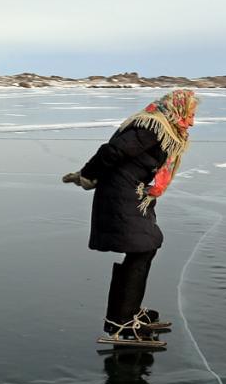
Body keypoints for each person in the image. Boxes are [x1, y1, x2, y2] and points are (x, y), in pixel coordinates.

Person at [62, 89, 199, 347]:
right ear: (177, 109)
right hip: (121, 191)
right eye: (190, 114)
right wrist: (88, 175)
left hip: (133, 191)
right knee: (142, 248)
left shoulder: (163, 128)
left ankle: (127, 314)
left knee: (146, 247)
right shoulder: (151, 128)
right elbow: (112, 152)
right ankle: (121, 320)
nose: (191, 122)